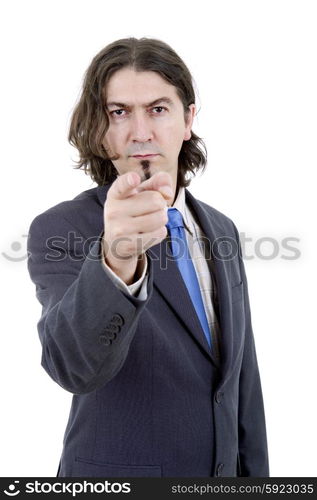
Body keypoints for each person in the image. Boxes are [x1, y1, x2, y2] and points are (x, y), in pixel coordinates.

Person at [27, 37, 269, 477]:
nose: (140, 132)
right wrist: (116, 258)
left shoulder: (222, 229)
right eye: (119, 112)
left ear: (187, 119)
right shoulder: (61, 228)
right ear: (101, 128)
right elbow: (73, 368)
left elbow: (241, 382)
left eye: (158, 109)